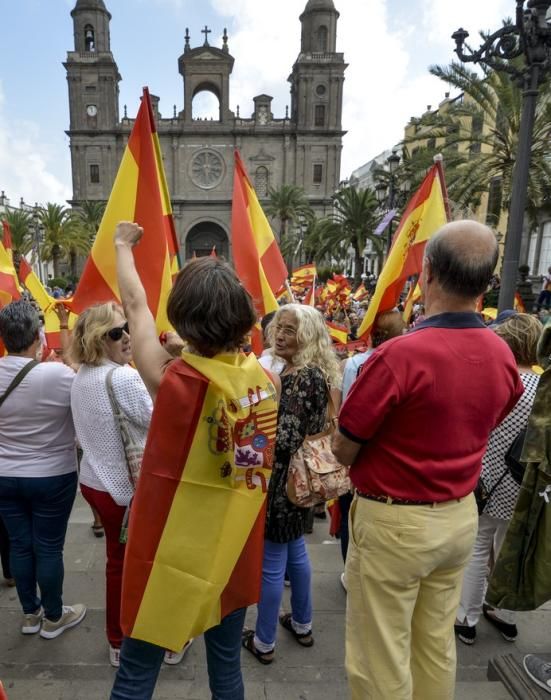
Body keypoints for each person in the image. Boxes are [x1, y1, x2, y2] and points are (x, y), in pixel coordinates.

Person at [332, 220, 524, 700]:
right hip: (458, 515)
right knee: (435, 644)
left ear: (428, 273)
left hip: (396, 522)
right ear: (486, 283)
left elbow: (343, 445)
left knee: (380, 654)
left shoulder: (399, 355)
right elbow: (496, 416)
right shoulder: (501, 354)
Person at [110, 222, 280, 700]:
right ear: (244, 320)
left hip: (169, 554)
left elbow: (135, 307)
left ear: (184, 320)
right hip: (231, 549)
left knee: (137, 673)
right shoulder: (267, 382)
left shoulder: (170, 380)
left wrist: (123, 245)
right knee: (226, 668)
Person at [241, 303, 341, 664]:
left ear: (307, 336)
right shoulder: (314, 372)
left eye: (289, 330)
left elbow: (283, 439)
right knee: (296, 553)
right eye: (278, 328)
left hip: (285, 481)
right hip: (303, 481)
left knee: (272, 563)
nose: (280, 335)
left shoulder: (299, 379)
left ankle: (264, 641)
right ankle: (301, 623)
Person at [69, 302, 156, 668]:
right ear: (97, 339)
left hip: (94, 481)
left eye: (126, 329)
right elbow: (157, 423)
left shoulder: (82, 375)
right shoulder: (123, 377)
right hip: (122, 488)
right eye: (116, 333)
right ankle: (123, 638)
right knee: (130, 564)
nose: (126, 338)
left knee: (116, 562)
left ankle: (118, 637)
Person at [0, 300, 86, 639]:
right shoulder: (59, 374)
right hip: (53, 475)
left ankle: (29, 614)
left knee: (20, 545)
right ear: (38, 336)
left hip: (5, 475)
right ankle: (53, 616)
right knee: (48, 546)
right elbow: (80, 374)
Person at [455, 313, 542, 646]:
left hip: (487, 479)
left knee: (478, 547)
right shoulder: (543, 387)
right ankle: (506, 616)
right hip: (525, 482)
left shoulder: (495, 379)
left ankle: (467, 618)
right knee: (513, 549)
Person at [337, 310, 405, 588]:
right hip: (382, 453)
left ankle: (350, 571)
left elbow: (346, 407)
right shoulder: (402, 363)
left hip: (353, 443)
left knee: (349, 516)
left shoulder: (354, 363)